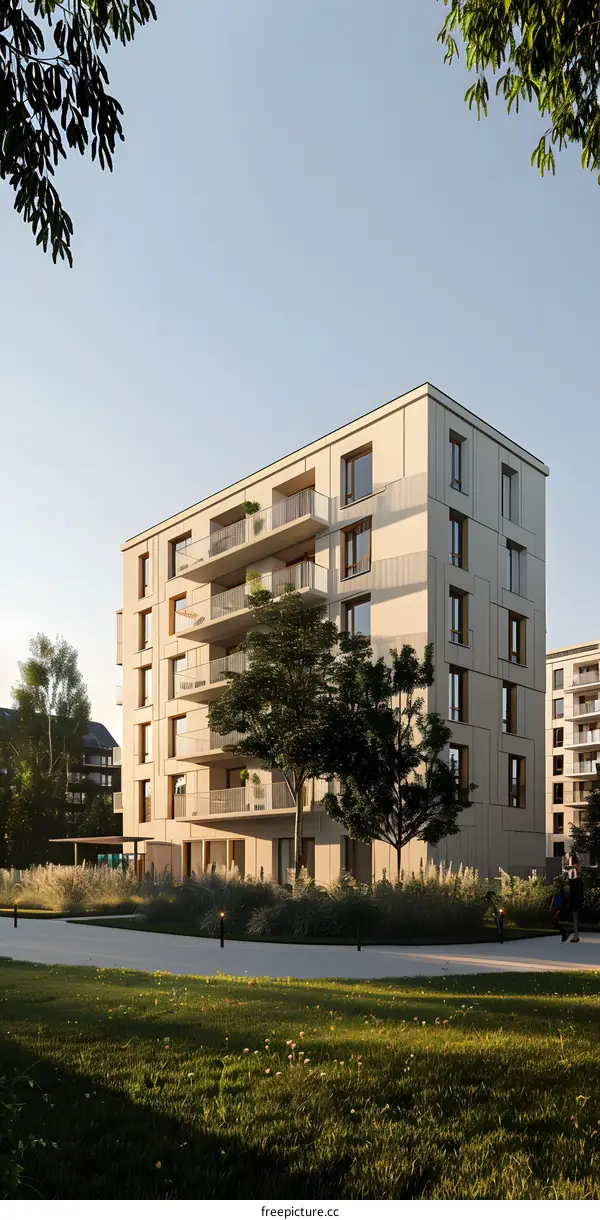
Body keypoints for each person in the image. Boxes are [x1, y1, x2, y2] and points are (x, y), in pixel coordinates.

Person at [565, 854, 584, 943]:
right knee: (575, 916)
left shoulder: (574, 869)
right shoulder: (575, 868)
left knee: (575, 916)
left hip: (575, 894)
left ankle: (575, 935)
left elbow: (573, 879)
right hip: (576, 893)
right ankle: (575, 935)